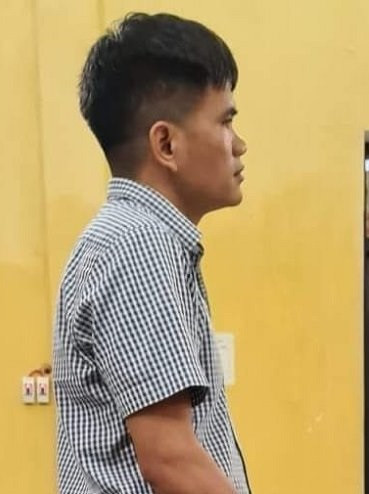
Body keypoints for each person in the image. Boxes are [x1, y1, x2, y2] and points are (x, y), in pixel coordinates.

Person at [53, 12, 250, 494]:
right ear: (166, 143)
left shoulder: (129, 239)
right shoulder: (138, 243)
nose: (239, 145)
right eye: (225, 122)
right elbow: (168, 458)